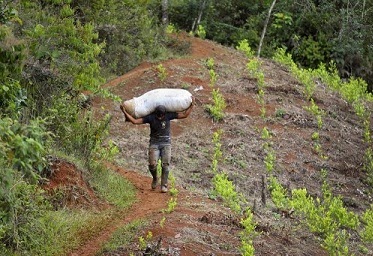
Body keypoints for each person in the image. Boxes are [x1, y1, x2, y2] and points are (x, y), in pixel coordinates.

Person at [120, 98, 194, 193]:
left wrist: (192, 105)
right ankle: (155, 178)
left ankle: (164, 185)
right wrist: (124, 112)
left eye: (161, 116)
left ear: (164, 114)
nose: (159, 118)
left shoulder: (168, 116)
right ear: (155, 114)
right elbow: (135, 121)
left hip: (166, 143)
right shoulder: (151, 117)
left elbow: (184, 115)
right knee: (152, 165)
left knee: (165, 165)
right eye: (158, 116)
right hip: (154, 143)